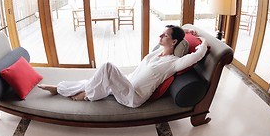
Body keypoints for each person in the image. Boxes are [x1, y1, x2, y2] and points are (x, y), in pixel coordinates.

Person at [38, 25, 208, 108]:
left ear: (174, 41)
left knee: (107, 67)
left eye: (165, 35)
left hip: (133, 96)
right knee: (92, 79)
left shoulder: (174, 63)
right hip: (128, 82)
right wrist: (187, 30)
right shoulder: (158, 52)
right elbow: (182, 31)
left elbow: (198, 54)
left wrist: (203, 40)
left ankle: (87, 96)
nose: (160, 35)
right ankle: (58, 88)